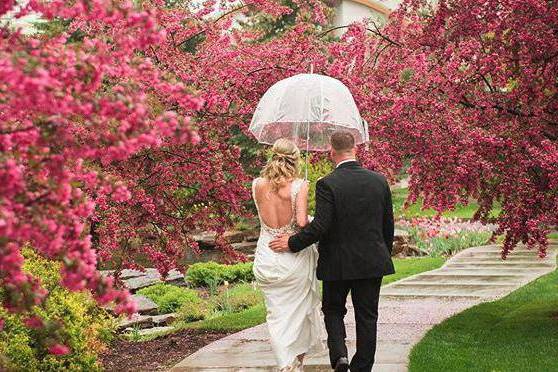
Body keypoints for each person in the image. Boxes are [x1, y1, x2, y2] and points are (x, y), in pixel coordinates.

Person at [270, 130, 395, 372]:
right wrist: (382, 254)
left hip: (337, 263)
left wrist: (292, 242)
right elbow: (387, 225)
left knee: (333, 310)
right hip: (372, 262)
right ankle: (362, 367)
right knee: (367, 316)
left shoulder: (327, 183)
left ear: (331, 152)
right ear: (355, 149)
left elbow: (321, 226)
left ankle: (340, 357)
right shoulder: (379, 180)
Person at [251, 138, 326, 372]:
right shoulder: (299, 185)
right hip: (292, 258)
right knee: (300, 313)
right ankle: (293, 364)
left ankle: (287, 363)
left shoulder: (257, 184)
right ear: (295, 159)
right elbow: (302, 223)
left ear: (272, 156)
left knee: (276, 315)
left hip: (267, 256)